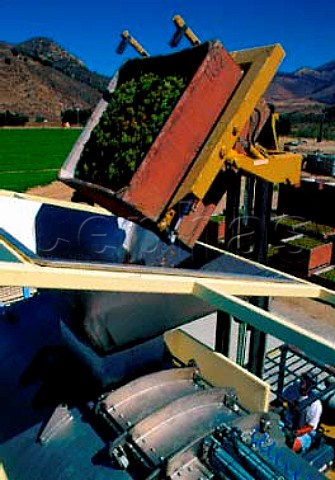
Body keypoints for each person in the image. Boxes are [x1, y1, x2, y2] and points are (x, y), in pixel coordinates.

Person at [290, 376, 323, 453]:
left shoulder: (315, 405)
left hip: (305, 433)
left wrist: (296, 433)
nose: (303, 385)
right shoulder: (294, 393)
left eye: (306, 384)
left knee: (290, 445)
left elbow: (311, 427)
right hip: (289, 424)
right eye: (302, 382)